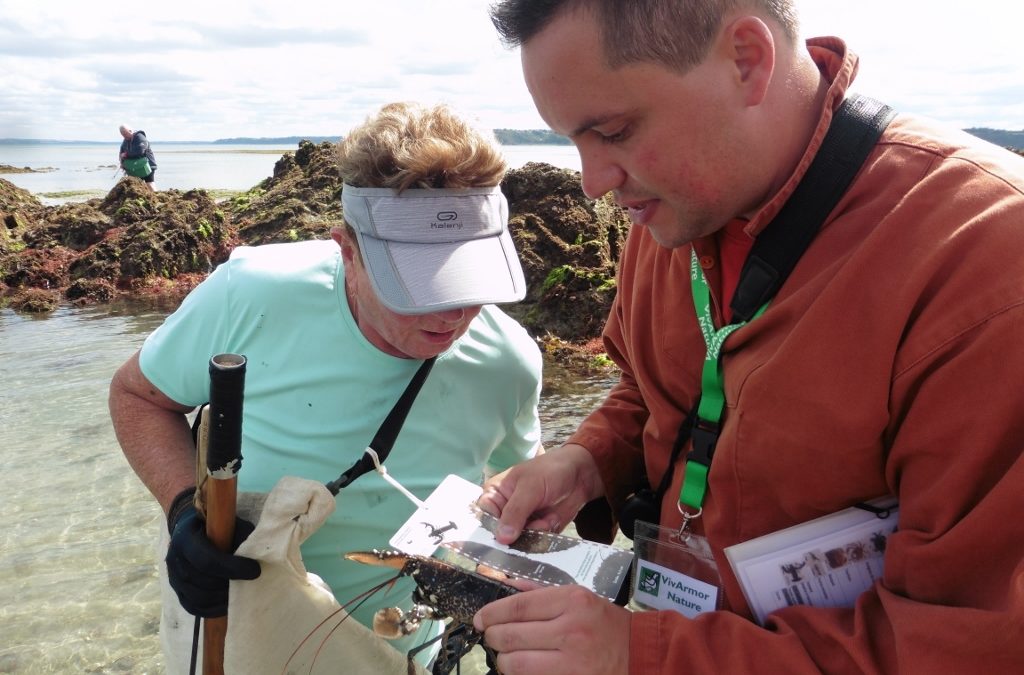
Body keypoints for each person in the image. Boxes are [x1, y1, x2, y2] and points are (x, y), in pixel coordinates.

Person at [472, 2, 1024, 674]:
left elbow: (969, 643)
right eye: (569, 141)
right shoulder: (669, 214)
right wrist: (587, 461)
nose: (593, 184)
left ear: (746, 60)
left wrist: (639, 653)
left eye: (613, 131)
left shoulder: (984, 263)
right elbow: (654, 391)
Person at [109, 101, 543, 667]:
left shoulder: (508, 361)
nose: (453, 314)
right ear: (348, 250)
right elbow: (139, 396)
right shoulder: (252, 294)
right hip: (237, 632)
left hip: (402, 649)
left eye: (468, 278)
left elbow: (515, 476)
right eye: (417, 285)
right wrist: (180, 512)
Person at [118, 124, 157, 189]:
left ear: (130, 131)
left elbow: (140, 151)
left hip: (147, 165)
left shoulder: (140, 137)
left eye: (125, 134)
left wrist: (126, 154)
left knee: (149, 183)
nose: (124, 136)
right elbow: (121, 152)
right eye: (123, 135)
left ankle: (156, 197)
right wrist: (122, 163)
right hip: (134, 167)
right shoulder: (125, 140)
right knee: (136, 186)